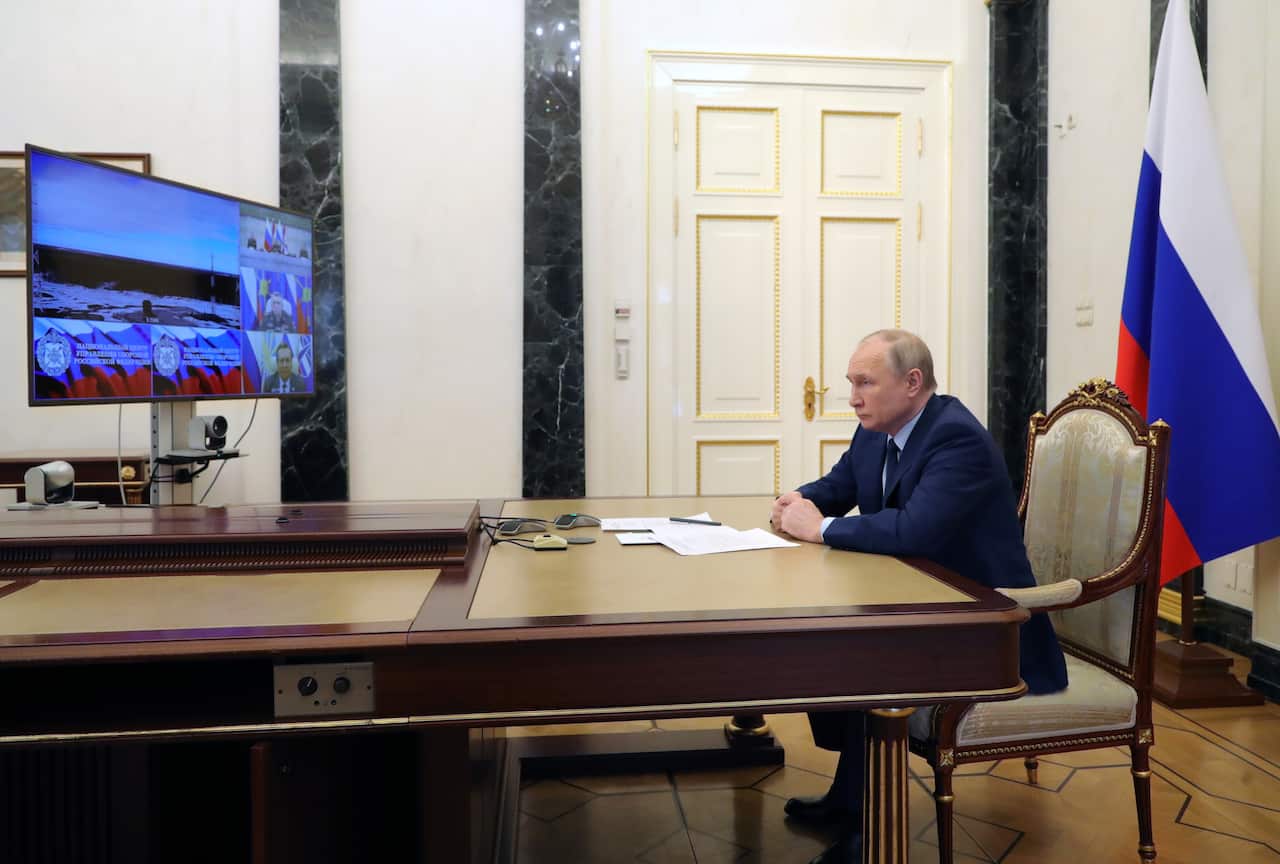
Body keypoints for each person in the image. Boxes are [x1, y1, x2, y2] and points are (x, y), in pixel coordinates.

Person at [770, 328, 1068, 864]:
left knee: (867, 657)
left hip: (986, 623)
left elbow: (914, 532)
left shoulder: (956, 438)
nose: (853, 396)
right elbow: (837, 487)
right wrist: (799, 500)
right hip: (925, 604)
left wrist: (819, 529)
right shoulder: (878, 427)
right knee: (835, 640)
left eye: (865, 382)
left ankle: (870, 836)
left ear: (913, 382)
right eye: (850, 384)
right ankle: (848, 799)